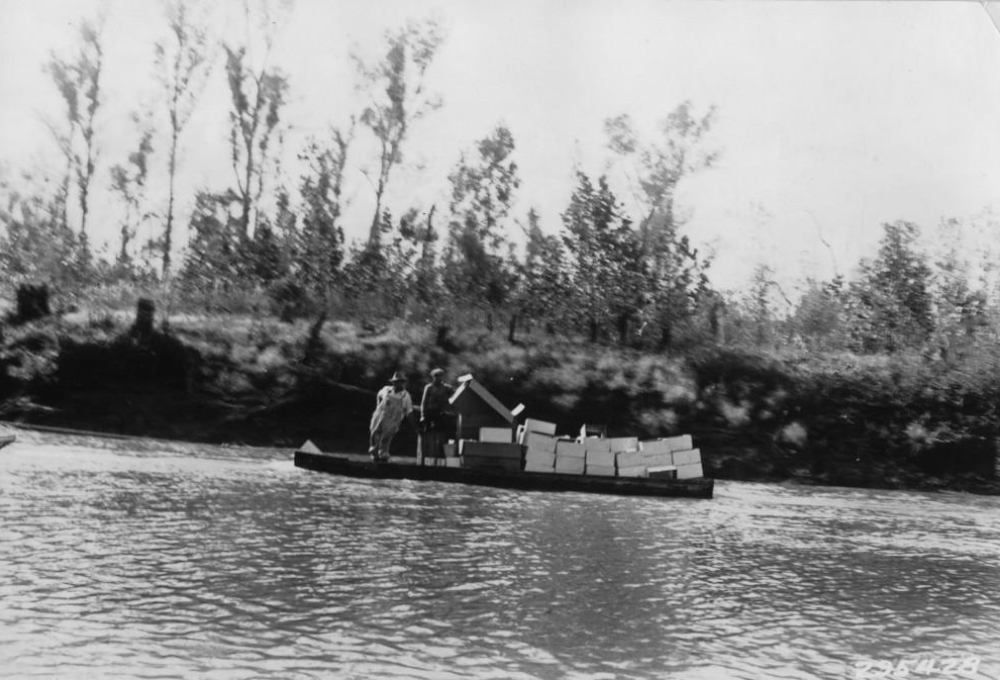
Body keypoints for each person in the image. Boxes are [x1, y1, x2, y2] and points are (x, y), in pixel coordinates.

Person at [369, 372, 414, 462]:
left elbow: (409, 411)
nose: (397, 383)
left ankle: (384, 455)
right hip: (381, 415)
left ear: (402, 382)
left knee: (386, 437)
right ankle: (374, 454)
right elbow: (379, 395)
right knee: (375, 433)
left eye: (400, 381)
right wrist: (378, 406)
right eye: (395, 381)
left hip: (394, 420)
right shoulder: (386, 389)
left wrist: (413, 424)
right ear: (393, 382)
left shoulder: (406, 395)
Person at [420, 368, 453, 460]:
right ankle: (425, 454)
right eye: (436, 376)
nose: (438, 378)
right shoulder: (429, 387)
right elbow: (424, 402)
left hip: (440, 413)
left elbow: (454, 396)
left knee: (442, 433)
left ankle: (440, 454)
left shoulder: (446, 388)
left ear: (443, 377)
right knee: (427, 433)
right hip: (429, 413)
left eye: (440, 376)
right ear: (433, 377)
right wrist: (422, 415)